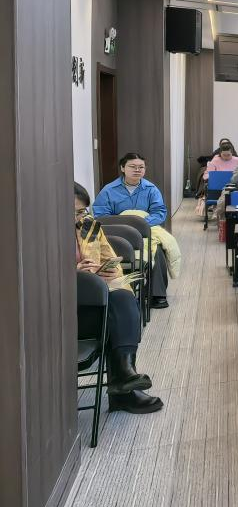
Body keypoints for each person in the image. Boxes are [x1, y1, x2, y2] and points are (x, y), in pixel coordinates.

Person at [74, 183, 162, 414]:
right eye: (72, 213)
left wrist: (109, 272)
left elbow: (112, 262)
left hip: (96, 303)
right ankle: (123, 386)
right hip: (68, 312)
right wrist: (76, 273)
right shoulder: (40, 236)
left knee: (122, 297)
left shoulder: (89, 226)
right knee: (119, 312)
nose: (78, 218)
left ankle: (125, 375)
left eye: (81, 212)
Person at [92, 153, 173, 307]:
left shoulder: (151, 189)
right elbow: (101, 215)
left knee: (158, 250)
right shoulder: (108, 190)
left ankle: (158, 294)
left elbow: (160, 212)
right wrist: (124, 225)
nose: (137, 170)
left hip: (144, 233)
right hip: (117, 233)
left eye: (141, 167)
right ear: (123, 168)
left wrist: (141, 224)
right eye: (132, 166)